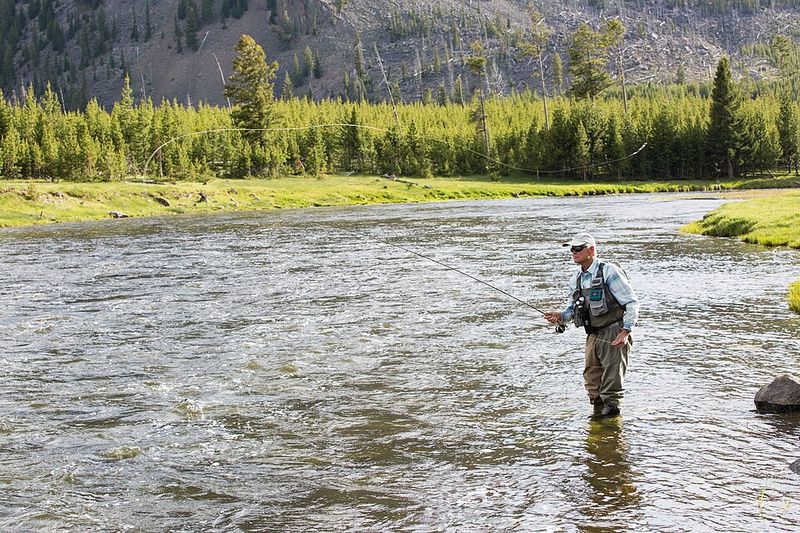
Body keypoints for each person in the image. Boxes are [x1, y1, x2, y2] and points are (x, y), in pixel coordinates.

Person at [544, 232, 639, 419]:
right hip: (592, 335)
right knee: (591, 380)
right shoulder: (575, 279)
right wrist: (560, 317)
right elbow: (571, 310)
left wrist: (625, 331)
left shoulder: (609, 271)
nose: (573, 252)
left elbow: (631, 303)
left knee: (611, 383)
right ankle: (598, 418)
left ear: (591, 250)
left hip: (615, 331)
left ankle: (611, 426)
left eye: (578, 248)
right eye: (571, 249)